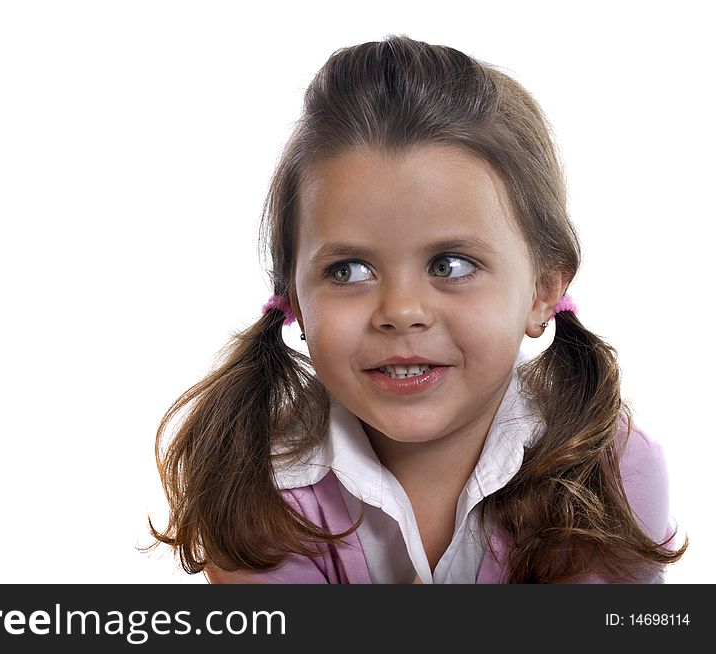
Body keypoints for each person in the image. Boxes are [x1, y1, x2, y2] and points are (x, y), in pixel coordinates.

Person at [148, 35, 686, 583]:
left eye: (450, 265)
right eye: (348, 270)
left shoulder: (612, 472)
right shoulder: (253, 485)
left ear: (544, 288)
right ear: (294, 302)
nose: (401, 312)